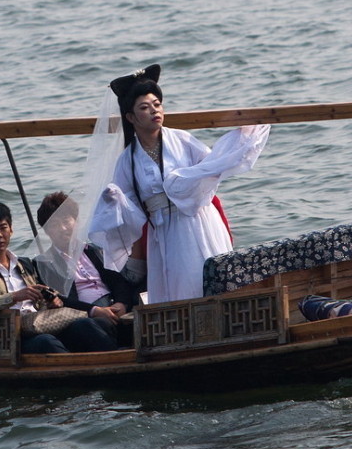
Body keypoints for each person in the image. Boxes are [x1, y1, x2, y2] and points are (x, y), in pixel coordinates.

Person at [89, 64, 271, 304]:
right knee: (179, 286)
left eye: (157, 104)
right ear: (131, 117)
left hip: (198, 220)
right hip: (163, 231)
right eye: (144, 108)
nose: (155, 111)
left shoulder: (182, 139)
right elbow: (132, 211)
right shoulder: (127, 160)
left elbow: (212, 167)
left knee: (208, 276)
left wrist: (238, 142)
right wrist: (114, 201)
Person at [0, 202, 116, 353]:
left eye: (3, 228)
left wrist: (52, 301)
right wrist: (13, 297)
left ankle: (115, 360)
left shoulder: (25, 264)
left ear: (11, 230)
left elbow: (43, 299)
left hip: (42, 323)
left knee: (85, 325)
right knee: (46, 342)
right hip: (10, 335)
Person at [35, 191, 136, 345]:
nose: (63, 228)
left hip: (113, 306)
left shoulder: (94, 250)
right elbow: (62, 299)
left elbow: (118, 281)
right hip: (84, 317)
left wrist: (121, 303)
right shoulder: (45, 263)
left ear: (76, 221)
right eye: (55, 225)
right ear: (47, 231)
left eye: (66, 221)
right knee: (86, 326)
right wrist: (95, 311)